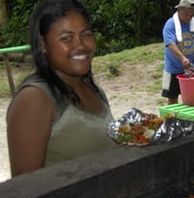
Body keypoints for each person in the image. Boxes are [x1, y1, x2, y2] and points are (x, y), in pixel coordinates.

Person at [7, 0, 115, 177]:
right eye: (66, 38)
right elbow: (26, 190)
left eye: (86, 34)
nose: (80, 45)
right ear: (43, 45)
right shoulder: (34, 98)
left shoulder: (93, 89)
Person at [161, 0, 194, 104]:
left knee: (191, 97)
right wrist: (182, 58)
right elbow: (171, 44)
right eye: (186, 14)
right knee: (172, 98)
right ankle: (173, 119)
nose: (189, 17)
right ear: (179, 10)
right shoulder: (170, 24)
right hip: (172, 68)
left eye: (191, 14)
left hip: (190, 68)